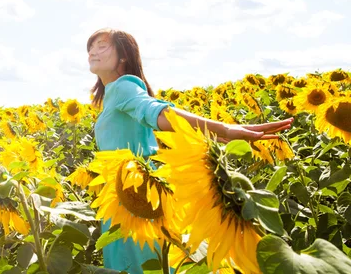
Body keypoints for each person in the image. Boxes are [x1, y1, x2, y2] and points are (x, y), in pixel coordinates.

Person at [87, 28, 293, 273]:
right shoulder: (112, 94)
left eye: (102, 46)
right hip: (122, 198)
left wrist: (226, 129)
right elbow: (168, 128)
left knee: (142, 264)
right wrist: (219, 135)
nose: (92, 52)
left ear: (123, 57)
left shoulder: (124, 87)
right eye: (90, 47)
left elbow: (160, 114)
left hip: (139, 193)